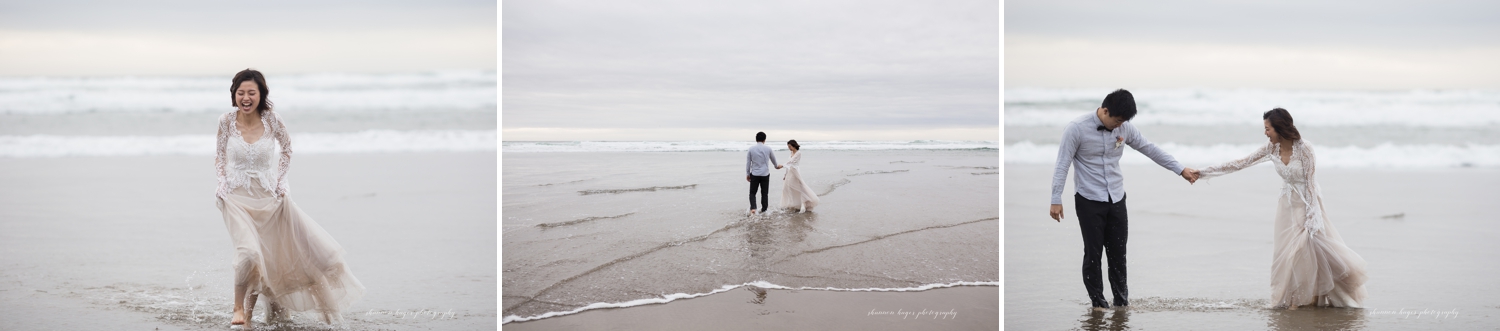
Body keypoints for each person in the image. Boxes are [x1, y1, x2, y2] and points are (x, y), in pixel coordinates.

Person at [216, 69, 365, 328]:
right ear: (234, 95)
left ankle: (250, 320)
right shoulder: (226, 121)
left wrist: (281, 181)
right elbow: (219, 156)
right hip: (236, 199)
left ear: (261, 94)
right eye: (241, 93)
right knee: (249, 253)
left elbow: (287, 149)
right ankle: (238, 308)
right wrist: (221, 182)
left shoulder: (272, 120)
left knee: (274, 260)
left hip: (270, 199)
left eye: (252, 92)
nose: (246, 97)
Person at [1195, 108, 1368, 309]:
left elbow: (1311, 183)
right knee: (1286, 254)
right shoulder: (1271, 148)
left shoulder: (1305, 149)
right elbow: (1241, 163)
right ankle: (1298, 298)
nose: (1265, 133)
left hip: (1308, 202)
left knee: (1304, 249)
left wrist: (1313, 214)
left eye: (1268, 129)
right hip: (1286, 204)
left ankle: (1304, 299)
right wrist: (1203, 172)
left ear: (1280, 128)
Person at [1049, 89, 1199, 310]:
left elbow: (1149, 148)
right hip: (1089, 200)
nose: (1120, 126)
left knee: (1119, 255)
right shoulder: (1076, 129)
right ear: (1105, 110)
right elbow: (1062, 163)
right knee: (1093, 255)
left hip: (1117, 198)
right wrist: (1055, 198)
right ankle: (1099, 305)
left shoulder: (1124, 127)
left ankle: (1121, 304)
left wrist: (1180, 169)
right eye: (1117, 121)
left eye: (1123, 122)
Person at [746, 132, 782, 215]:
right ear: (764, 140)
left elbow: (748, 163)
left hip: (755, 174)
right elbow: (774, 161)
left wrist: (748, 174)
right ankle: (765, 210)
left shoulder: (751, 149)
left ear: (756, 139)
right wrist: (777, 166)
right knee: (764, 193)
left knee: (752, 193)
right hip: (765, 174)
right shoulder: (768, 149)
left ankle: (753, 208)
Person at [779, 140, 819, 213]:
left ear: (794, 145)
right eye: (788, 147)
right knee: (787, 188)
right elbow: (789, 165)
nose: (789, 148)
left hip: (795, 172)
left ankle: (803, 204)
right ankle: (792, 204)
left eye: (790, 146)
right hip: (790, 172)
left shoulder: (798, 153)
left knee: (799, 187)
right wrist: (785, 174)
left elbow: (791, 161)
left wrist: (782, 165)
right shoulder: (791, 153)